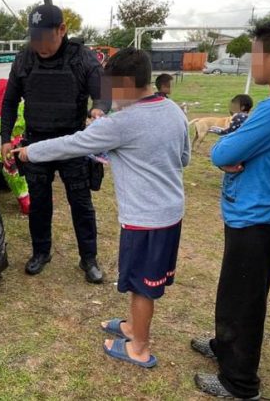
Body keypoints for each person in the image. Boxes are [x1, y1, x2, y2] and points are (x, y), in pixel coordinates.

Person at [13, 48, 190, 368]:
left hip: (145, 219)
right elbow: (184, 158)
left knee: (141, 286)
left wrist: (29, 153)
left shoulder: (121, 123)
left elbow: (69, 145)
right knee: (141, 278)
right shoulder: (174, 109)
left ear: (124, 83)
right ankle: (133, 327)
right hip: (170, 212)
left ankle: (139, 347)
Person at [192, 16, 270, 399]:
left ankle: (240, 384)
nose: (251, 62)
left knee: (244, 300)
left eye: (256, 54)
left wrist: (226, 150)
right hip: (255, 213)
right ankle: (224, 347)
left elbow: (224, 150)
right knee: (235, 292)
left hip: (259, 217)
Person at [0, 4, 110, 283]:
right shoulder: (24, 59)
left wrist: (98, 108)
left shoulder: (81, 57)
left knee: (81, 202)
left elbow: (104, 91)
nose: (40, 46)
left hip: (73, 142)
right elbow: (10, 101)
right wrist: (4, 139)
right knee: (39, 202)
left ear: (62, 30)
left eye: (46, 39)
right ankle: (41, 252)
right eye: (34, 39)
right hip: (36, 142)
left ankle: (89, 259)